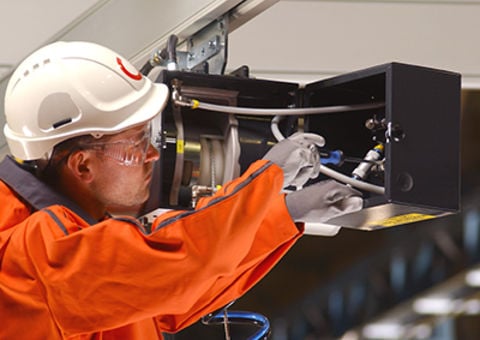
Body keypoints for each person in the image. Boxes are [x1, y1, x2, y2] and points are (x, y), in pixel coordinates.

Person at [0, 41, 362, 339]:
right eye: (137, 143)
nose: (154, 154)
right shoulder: (35, 259)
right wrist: (266, 180)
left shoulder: (71, 260)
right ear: (82, 165)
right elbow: (171, 259)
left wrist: (283, 215)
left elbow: (168, 297)